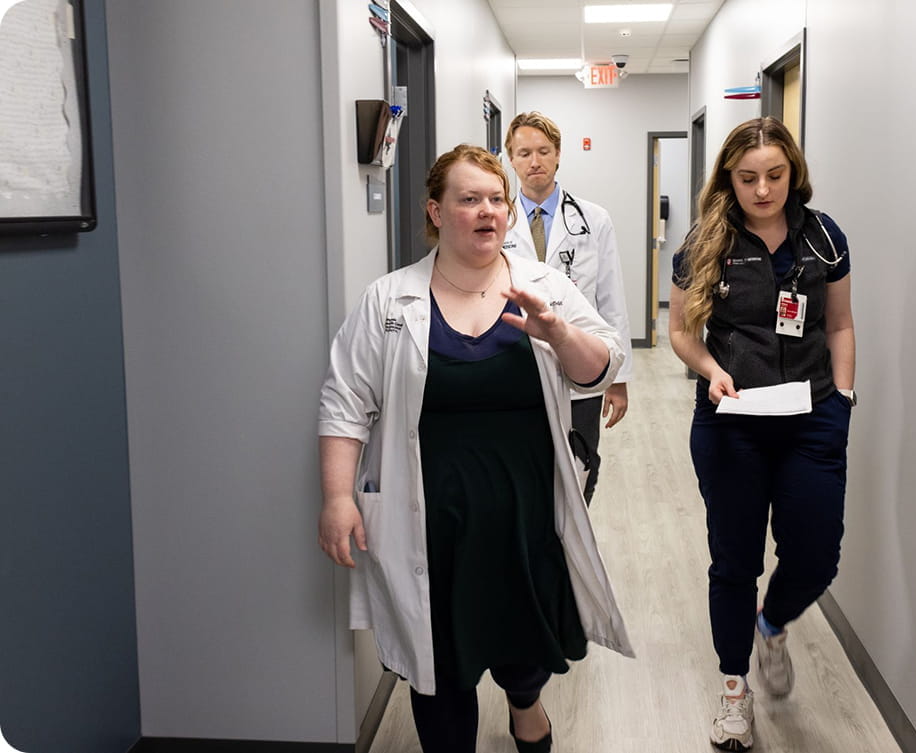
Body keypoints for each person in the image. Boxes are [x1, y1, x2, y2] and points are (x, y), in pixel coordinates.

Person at [317, 144, 633, 753]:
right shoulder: (389, 299)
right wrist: (337, 496)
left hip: (525, 511)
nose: (487, 211)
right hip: (429, 519)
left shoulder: (545, 287)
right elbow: (344, 401)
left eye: (497, 199)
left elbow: (597, 370)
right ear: (436, 211)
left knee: (523, 645)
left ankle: (525, 704)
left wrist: (559, 333)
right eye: (469, 200)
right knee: (438, 665)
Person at [668, 117, 855, 752]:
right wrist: (713, 371)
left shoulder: (824, 238)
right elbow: (682, 334)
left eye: (775, 175)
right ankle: (732, 691)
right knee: (735, 560)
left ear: (792, 173)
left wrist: (845, 400)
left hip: (812, 420)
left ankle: (771, 622)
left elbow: (840, 326)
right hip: (732, 423)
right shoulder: (704, 243)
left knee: (816, 555)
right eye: (748, 178)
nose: (763, 189)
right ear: (729, 178)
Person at [503, 111, 633, 505]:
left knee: (581, 463)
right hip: (516, 366)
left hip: (582, 368)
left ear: (558, 155)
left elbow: (611, 298)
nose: (534, 161)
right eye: (524, 152)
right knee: (523, 467)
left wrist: (619, 378)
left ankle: (570, 551)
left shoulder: (594, 220)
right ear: (510, 158)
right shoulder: (497, 220)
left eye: (543, 151)